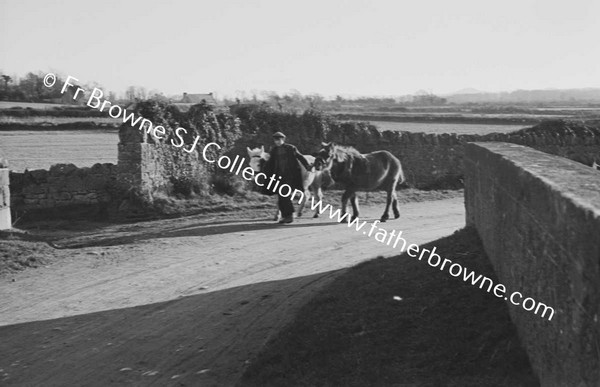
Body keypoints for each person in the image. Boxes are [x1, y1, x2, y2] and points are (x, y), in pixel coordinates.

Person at [264, 131, 312, 224]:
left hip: (290, 175)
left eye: (279, 139)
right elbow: (270, 162)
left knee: (284, 195)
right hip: (278, 176)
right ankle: (285, 216)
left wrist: (307, 166)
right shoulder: (274, 150)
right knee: (281, 196)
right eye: (275, 140)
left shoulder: (291, 148)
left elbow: (300, 156)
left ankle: (289, 216)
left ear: (283, 139)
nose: (277, 141)